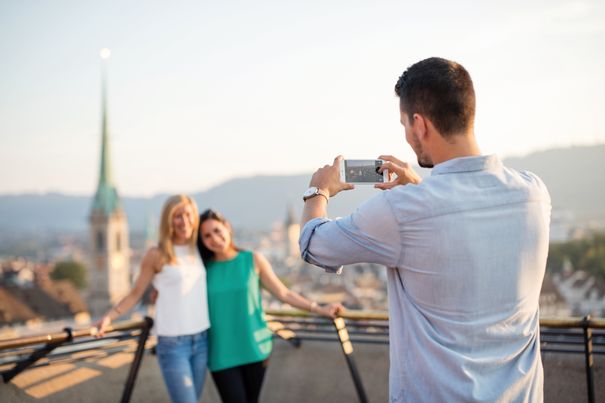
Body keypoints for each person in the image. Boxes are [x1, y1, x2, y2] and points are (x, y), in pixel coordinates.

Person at [299, 57, 551, 402]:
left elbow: (313, 244)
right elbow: (457, 218)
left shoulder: (403, 211)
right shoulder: (534, 194)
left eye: (404, 124)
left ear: (420, 124)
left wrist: (319, 191)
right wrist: (419, 187)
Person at [197, 208, 343, 403]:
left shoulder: (251, 259)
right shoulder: (201, 270)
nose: (214, 238)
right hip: (221, 353)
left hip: (255, 347)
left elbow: (284, 293)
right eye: (207, 236)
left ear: (227, 227)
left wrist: (319, 308)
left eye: (216, 230)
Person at [94, 195, 210, 403]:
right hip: (173, 344)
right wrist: (109, 318)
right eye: (177, 216)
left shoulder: (199, 249)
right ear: (168, 220)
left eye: (188, 215)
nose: (184, 221)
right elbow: (135, 293)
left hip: (202, 339)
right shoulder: (156, 254)